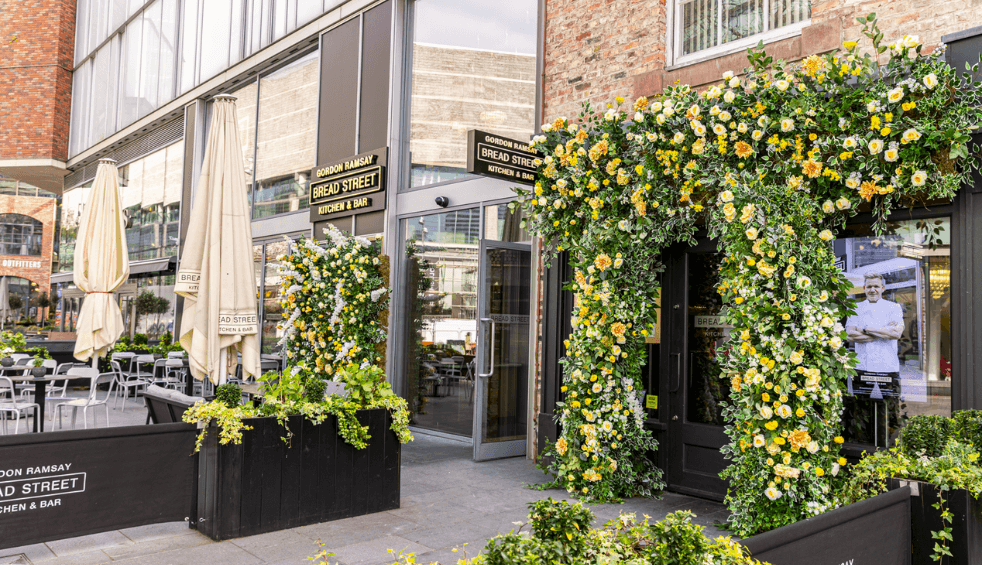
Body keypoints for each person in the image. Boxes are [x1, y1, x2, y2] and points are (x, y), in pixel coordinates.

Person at [846, 272, 905, 396]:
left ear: (882, 288)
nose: (873, 290)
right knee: (860, 406)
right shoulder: (855, 308)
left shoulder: (894, 307)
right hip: (862, 366)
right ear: (864, 289)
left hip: (888, 366)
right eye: (869, 287)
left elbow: (897, 333)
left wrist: (866, 329)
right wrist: (884, 330)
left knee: (890, 407)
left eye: (876, 286)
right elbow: (850, 334)